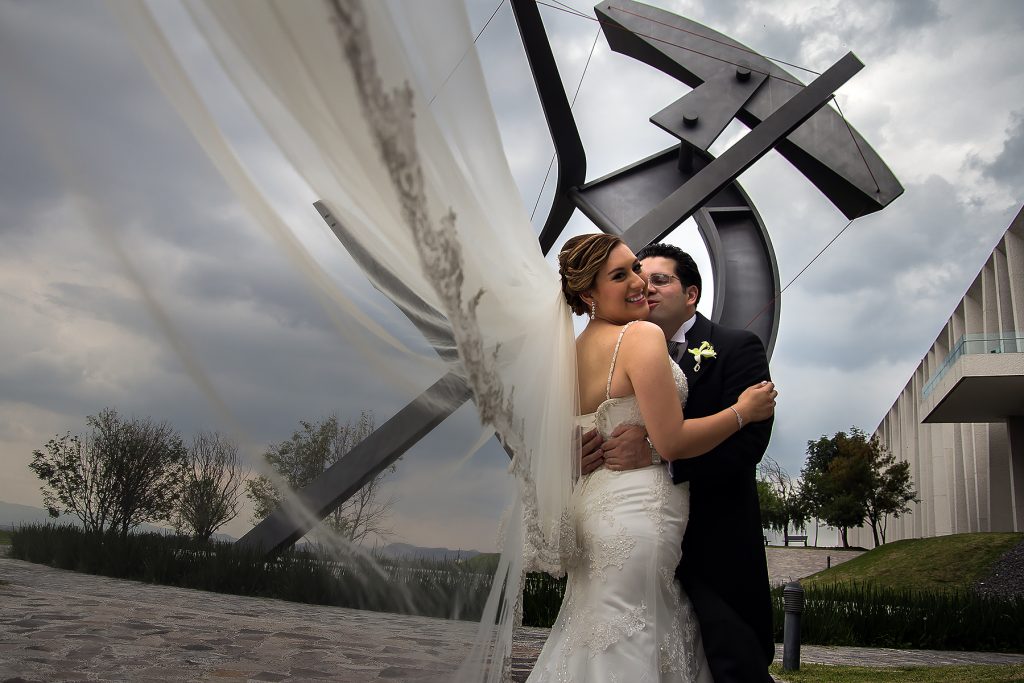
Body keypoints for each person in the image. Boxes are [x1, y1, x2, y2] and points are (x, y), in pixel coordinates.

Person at [526, 234, 776, 682]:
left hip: (609, 517)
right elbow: (674, 438)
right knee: (631, 631)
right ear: (587, 294)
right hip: (636, 516)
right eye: (623, 274)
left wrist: (574, 454)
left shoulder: (568, 353)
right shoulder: (639, 336)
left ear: (691, 293)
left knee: (604, 629)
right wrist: (742, 411)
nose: (641, 284)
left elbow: (551, 429)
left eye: (643, 273)